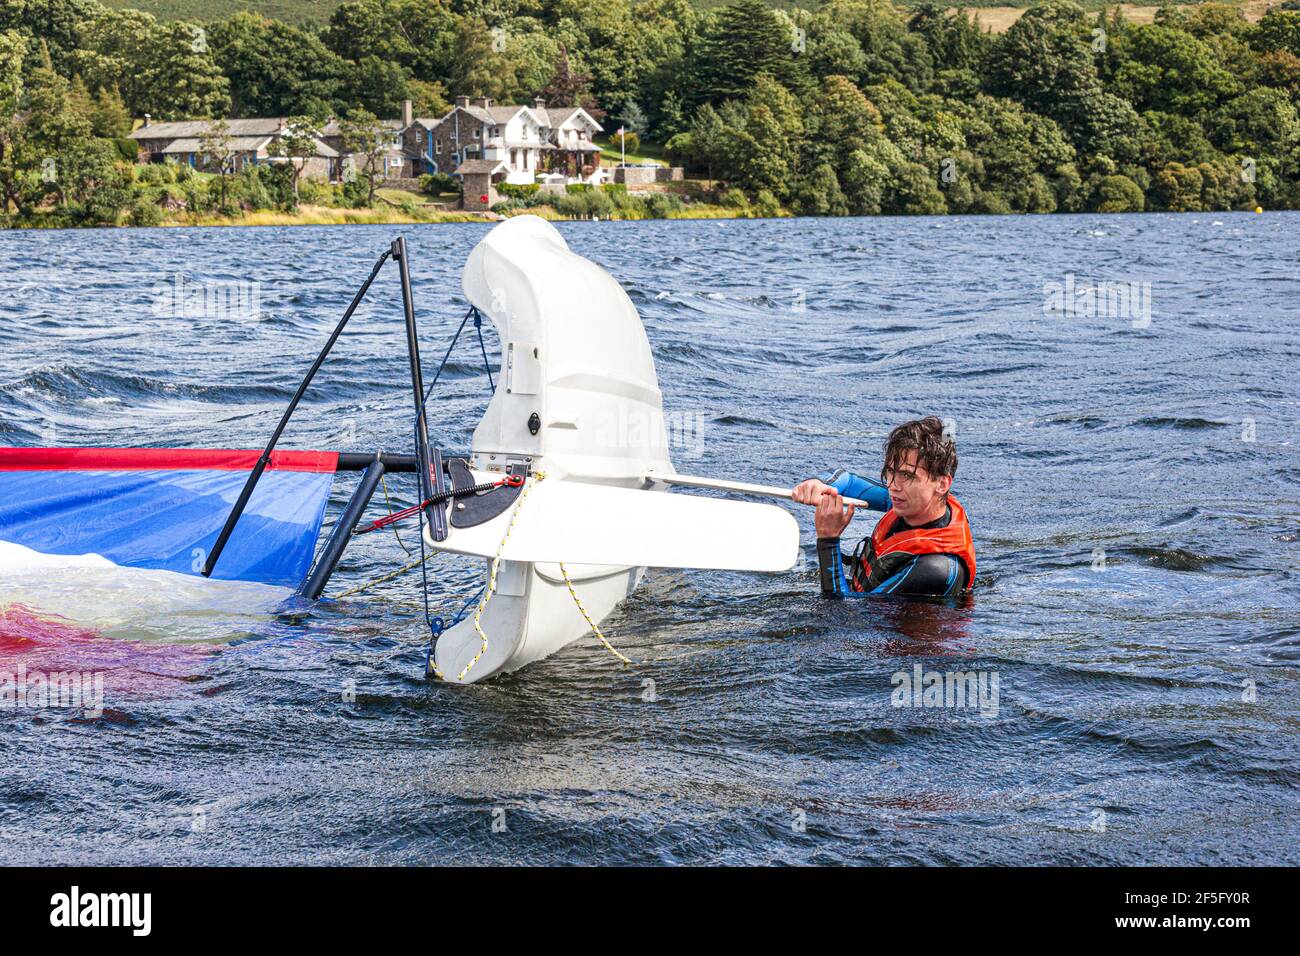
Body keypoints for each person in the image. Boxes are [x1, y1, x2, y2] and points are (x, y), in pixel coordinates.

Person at [792, 416, 975, 599]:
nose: (893, 486)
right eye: (890, 472)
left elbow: (840, 615)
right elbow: (848, 481)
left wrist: (828, 540)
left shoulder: (935, 569)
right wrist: (819, 484)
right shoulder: (913, 500)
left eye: (907, 475)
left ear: (942, 484)